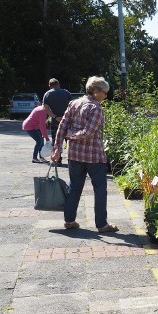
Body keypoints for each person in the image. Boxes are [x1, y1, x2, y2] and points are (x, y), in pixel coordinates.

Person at [50, 76, 118, 233]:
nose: (106, 96)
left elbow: (62, 127)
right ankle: (102, 225)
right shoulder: (96, 109)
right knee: (100, 189)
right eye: (104, 92)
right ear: (95, 92)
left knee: (74, 187)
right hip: (94, 156)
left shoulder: (74, 103)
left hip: (74, 155)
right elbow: (88, 132)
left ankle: (69, 220)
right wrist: (70, 136)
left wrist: (58, 147)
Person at [43, 78, 72, 165]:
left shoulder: (47, 94)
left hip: (55, 121)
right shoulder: (66, 93)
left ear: (50, 86)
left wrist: (55, 117)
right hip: (68, 121)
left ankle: (57, 160)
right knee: (69, 141)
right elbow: (72, 106)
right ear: (59, 84)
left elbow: (45, 109)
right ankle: (71, 160)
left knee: (56, 140)